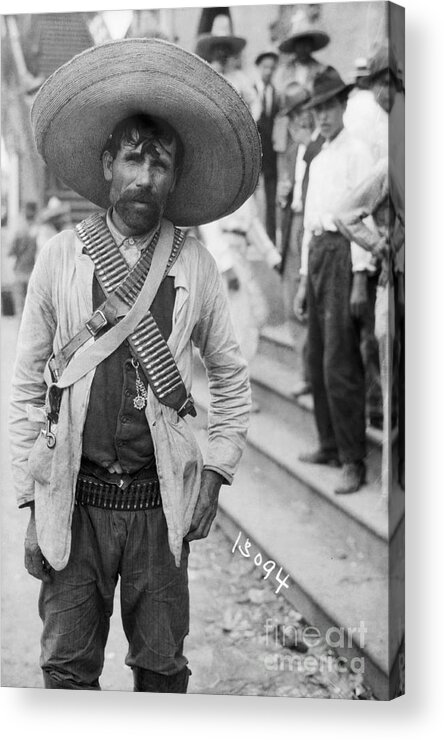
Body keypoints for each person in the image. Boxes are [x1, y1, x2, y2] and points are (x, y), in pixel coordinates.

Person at [8, 38, 261, 692]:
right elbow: (27, 386)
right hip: (75, 499)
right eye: (133, 159)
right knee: (66, 672)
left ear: (176, 178)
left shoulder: (195, 265)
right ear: (106, 165)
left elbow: (232, 378)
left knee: (161, 670)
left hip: (160, 505)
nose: (146, 177)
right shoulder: (61, 259)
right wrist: (33, 499)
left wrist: (217, 470)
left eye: (162, 163)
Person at [294, 67, 374, 495]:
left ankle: (353, 458)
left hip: (345, 252)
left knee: (341, 361)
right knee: (317, 357)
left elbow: (363, 217)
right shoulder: (317, 157)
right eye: (317, 108)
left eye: (329, 106)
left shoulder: (357, 151)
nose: (323, 115)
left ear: (343, 105)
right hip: (318, 254)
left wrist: (361, 275)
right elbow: (309, 223)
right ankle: (328, 443)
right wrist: (305, 280)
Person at [253, 50, 280, 242]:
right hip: (255, 152)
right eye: (265, 67)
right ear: (259, 68)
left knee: (271, 199)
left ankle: (270, 238)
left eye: (272, 68)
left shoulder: (277, 95)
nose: (269, 71)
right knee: (251, 198)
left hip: (271, 154)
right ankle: (254, 240)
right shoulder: (251, 91)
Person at [8, 201, 38, 316]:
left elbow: (11, 251)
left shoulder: (20, 230)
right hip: (33, 272)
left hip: (21, 271)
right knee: (32, 309)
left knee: (20, 308)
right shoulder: (38, 228)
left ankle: (21, 332)